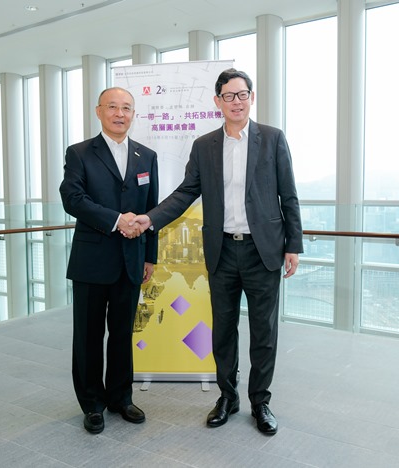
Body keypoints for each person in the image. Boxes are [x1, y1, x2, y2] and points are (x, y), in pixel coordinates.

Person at [130, 68, 303, 435]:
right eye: (229, 96)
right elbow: (184, 192)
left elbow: (288, 195)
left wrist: (294, 245)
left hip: (263, 252)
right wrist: (150, 218)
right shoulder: (204, 145)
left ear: (251, 98)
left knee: (264, 332)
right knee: (223, 329)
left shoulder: (272, 139)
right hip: (222, 250)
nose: (236, 102)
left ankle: (260, 401)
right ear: (217, 102)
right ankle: (227, 396)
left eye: (242, 95)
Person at [59, 87, 159, 434]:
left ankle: (120, 398)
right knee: (88, 335)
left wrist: (150, 257)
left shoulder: (146, 155)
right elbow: (72, 198)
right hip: (92, 260)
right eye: (113, 107)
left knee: (121, 334)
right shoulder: (80, 153)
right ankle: (92, 403)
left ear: (134, 114)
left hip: (131, 260)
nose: (120, 113)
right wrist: (117, 220)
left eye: (127, 108)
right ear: (99, 111)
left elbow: (151, 210)